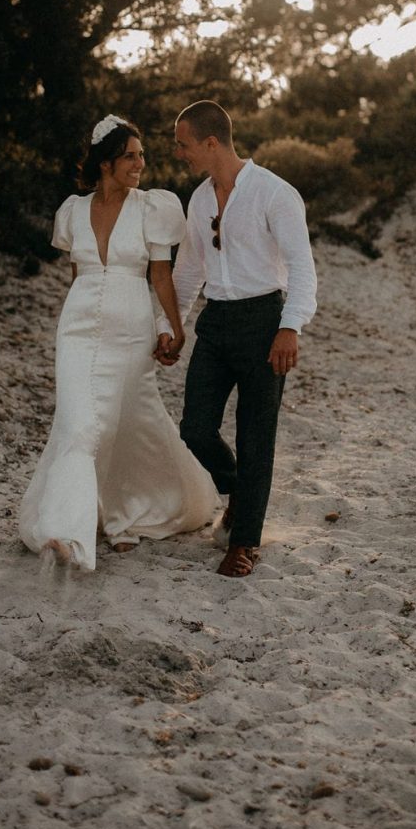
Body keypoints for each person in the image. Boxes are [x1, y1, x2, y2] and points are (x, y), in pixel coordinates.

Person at [19, 115, 219, 570]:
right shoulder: (72, 210)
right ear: (106, 163)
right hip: (77, 329)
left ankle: (126, 516)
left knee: (129, 420)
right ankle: (64, 531)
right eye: (131, 156)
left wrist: (175, 326)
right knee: (80, 424)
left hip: (132, 328)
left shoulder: (154, 207)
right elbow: (77, 274)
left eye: (142, 155)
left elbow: (161, 275)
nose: (140, 163)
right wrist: (83, 315)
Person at [155, 101, 317, 579]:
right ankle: (241, 497)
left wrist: (291, 326)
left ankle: (244, 541)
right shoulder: (199, 199)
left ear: (210, 143)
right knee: (195, 429)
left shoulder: (275, 194)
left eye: (183, 144)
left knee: (255, 436)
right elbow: (188, 272)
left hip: (266, 321)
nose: (178, 153)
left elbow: (303, 268)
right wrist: (172, 327)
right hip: (217, 322)